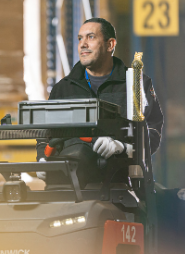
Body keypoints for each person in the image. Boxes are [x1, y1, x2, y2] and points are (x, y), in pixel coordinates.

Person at [36, 17, 164, 184]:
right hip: (70, 185)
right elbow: (46, 134)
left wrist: (123, 147)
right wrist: (42, 159)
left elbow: (153, 131)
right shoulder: (63, 88)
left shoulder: (136, 84)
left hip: (120, 184)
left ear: (110, 45)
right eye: (80, 38)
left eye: (90, 37)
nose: (83, 44)